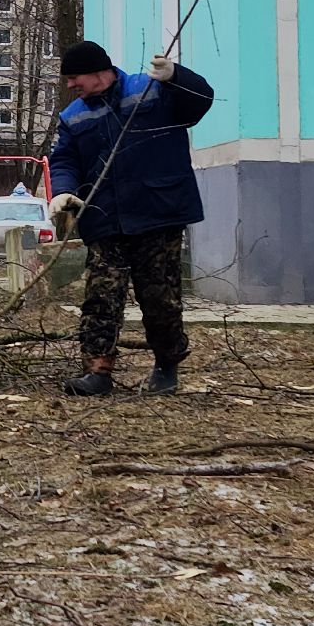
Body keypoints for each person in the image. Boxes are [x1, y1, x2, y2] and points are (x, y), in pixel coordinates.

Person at [48, 40, 214, 397]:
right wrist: (62, 190)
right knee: (101, 296)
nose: (70, 86)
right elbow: (64, 159)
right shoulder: (73, 116)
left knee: (161, 297)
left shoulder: (151, 90)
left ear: (98, 72)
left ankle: (166, 367)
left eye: (74, 77)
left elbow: (199, 103)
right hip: (104, 218)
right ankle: (97, 371)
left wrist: (176, 76)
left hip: (158, 212)